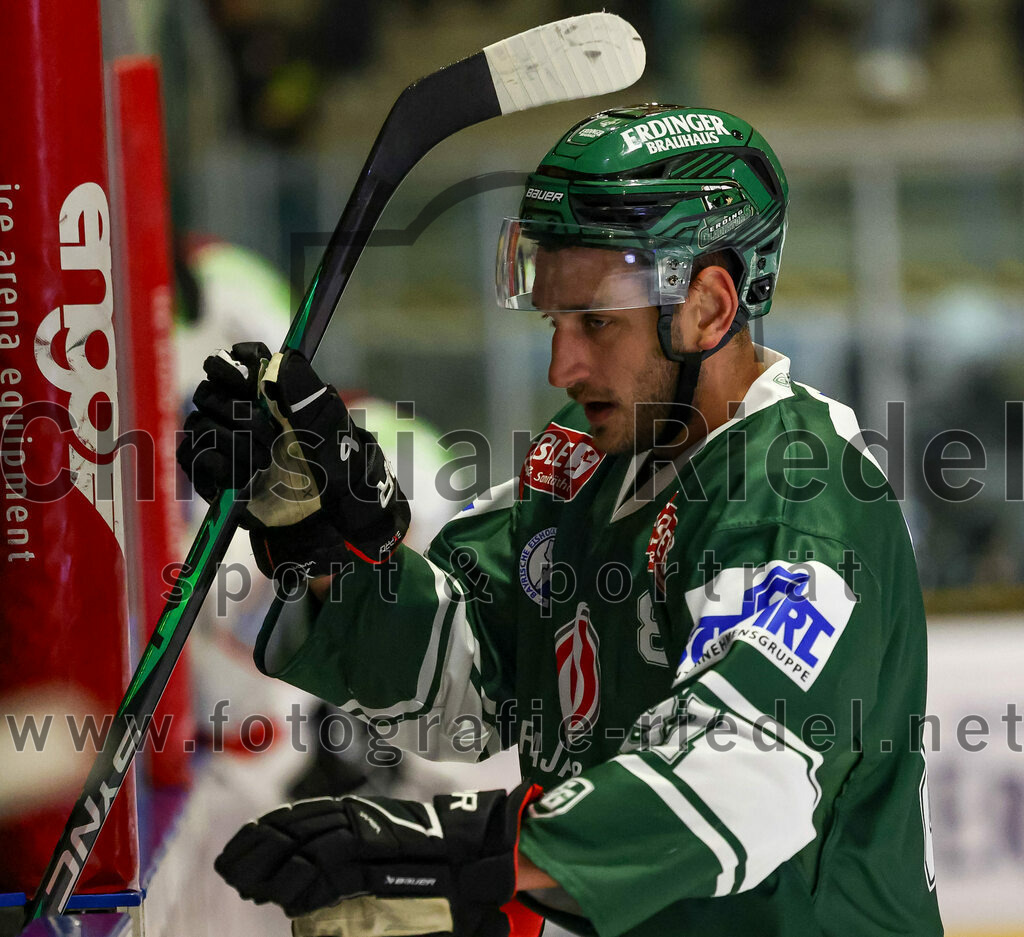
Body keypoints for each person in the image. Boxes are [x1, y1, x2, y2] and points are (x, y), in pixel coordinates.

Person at [178, 105, 943, 937]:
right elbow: (470, 688)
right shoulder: (585, 461)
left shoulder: (801, 504)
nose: (560, 364)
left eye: (596, 324)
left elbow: (739, 779)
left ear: (710, 307)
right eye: (554, 322)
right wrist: (324, 544)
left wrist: (456, 852)